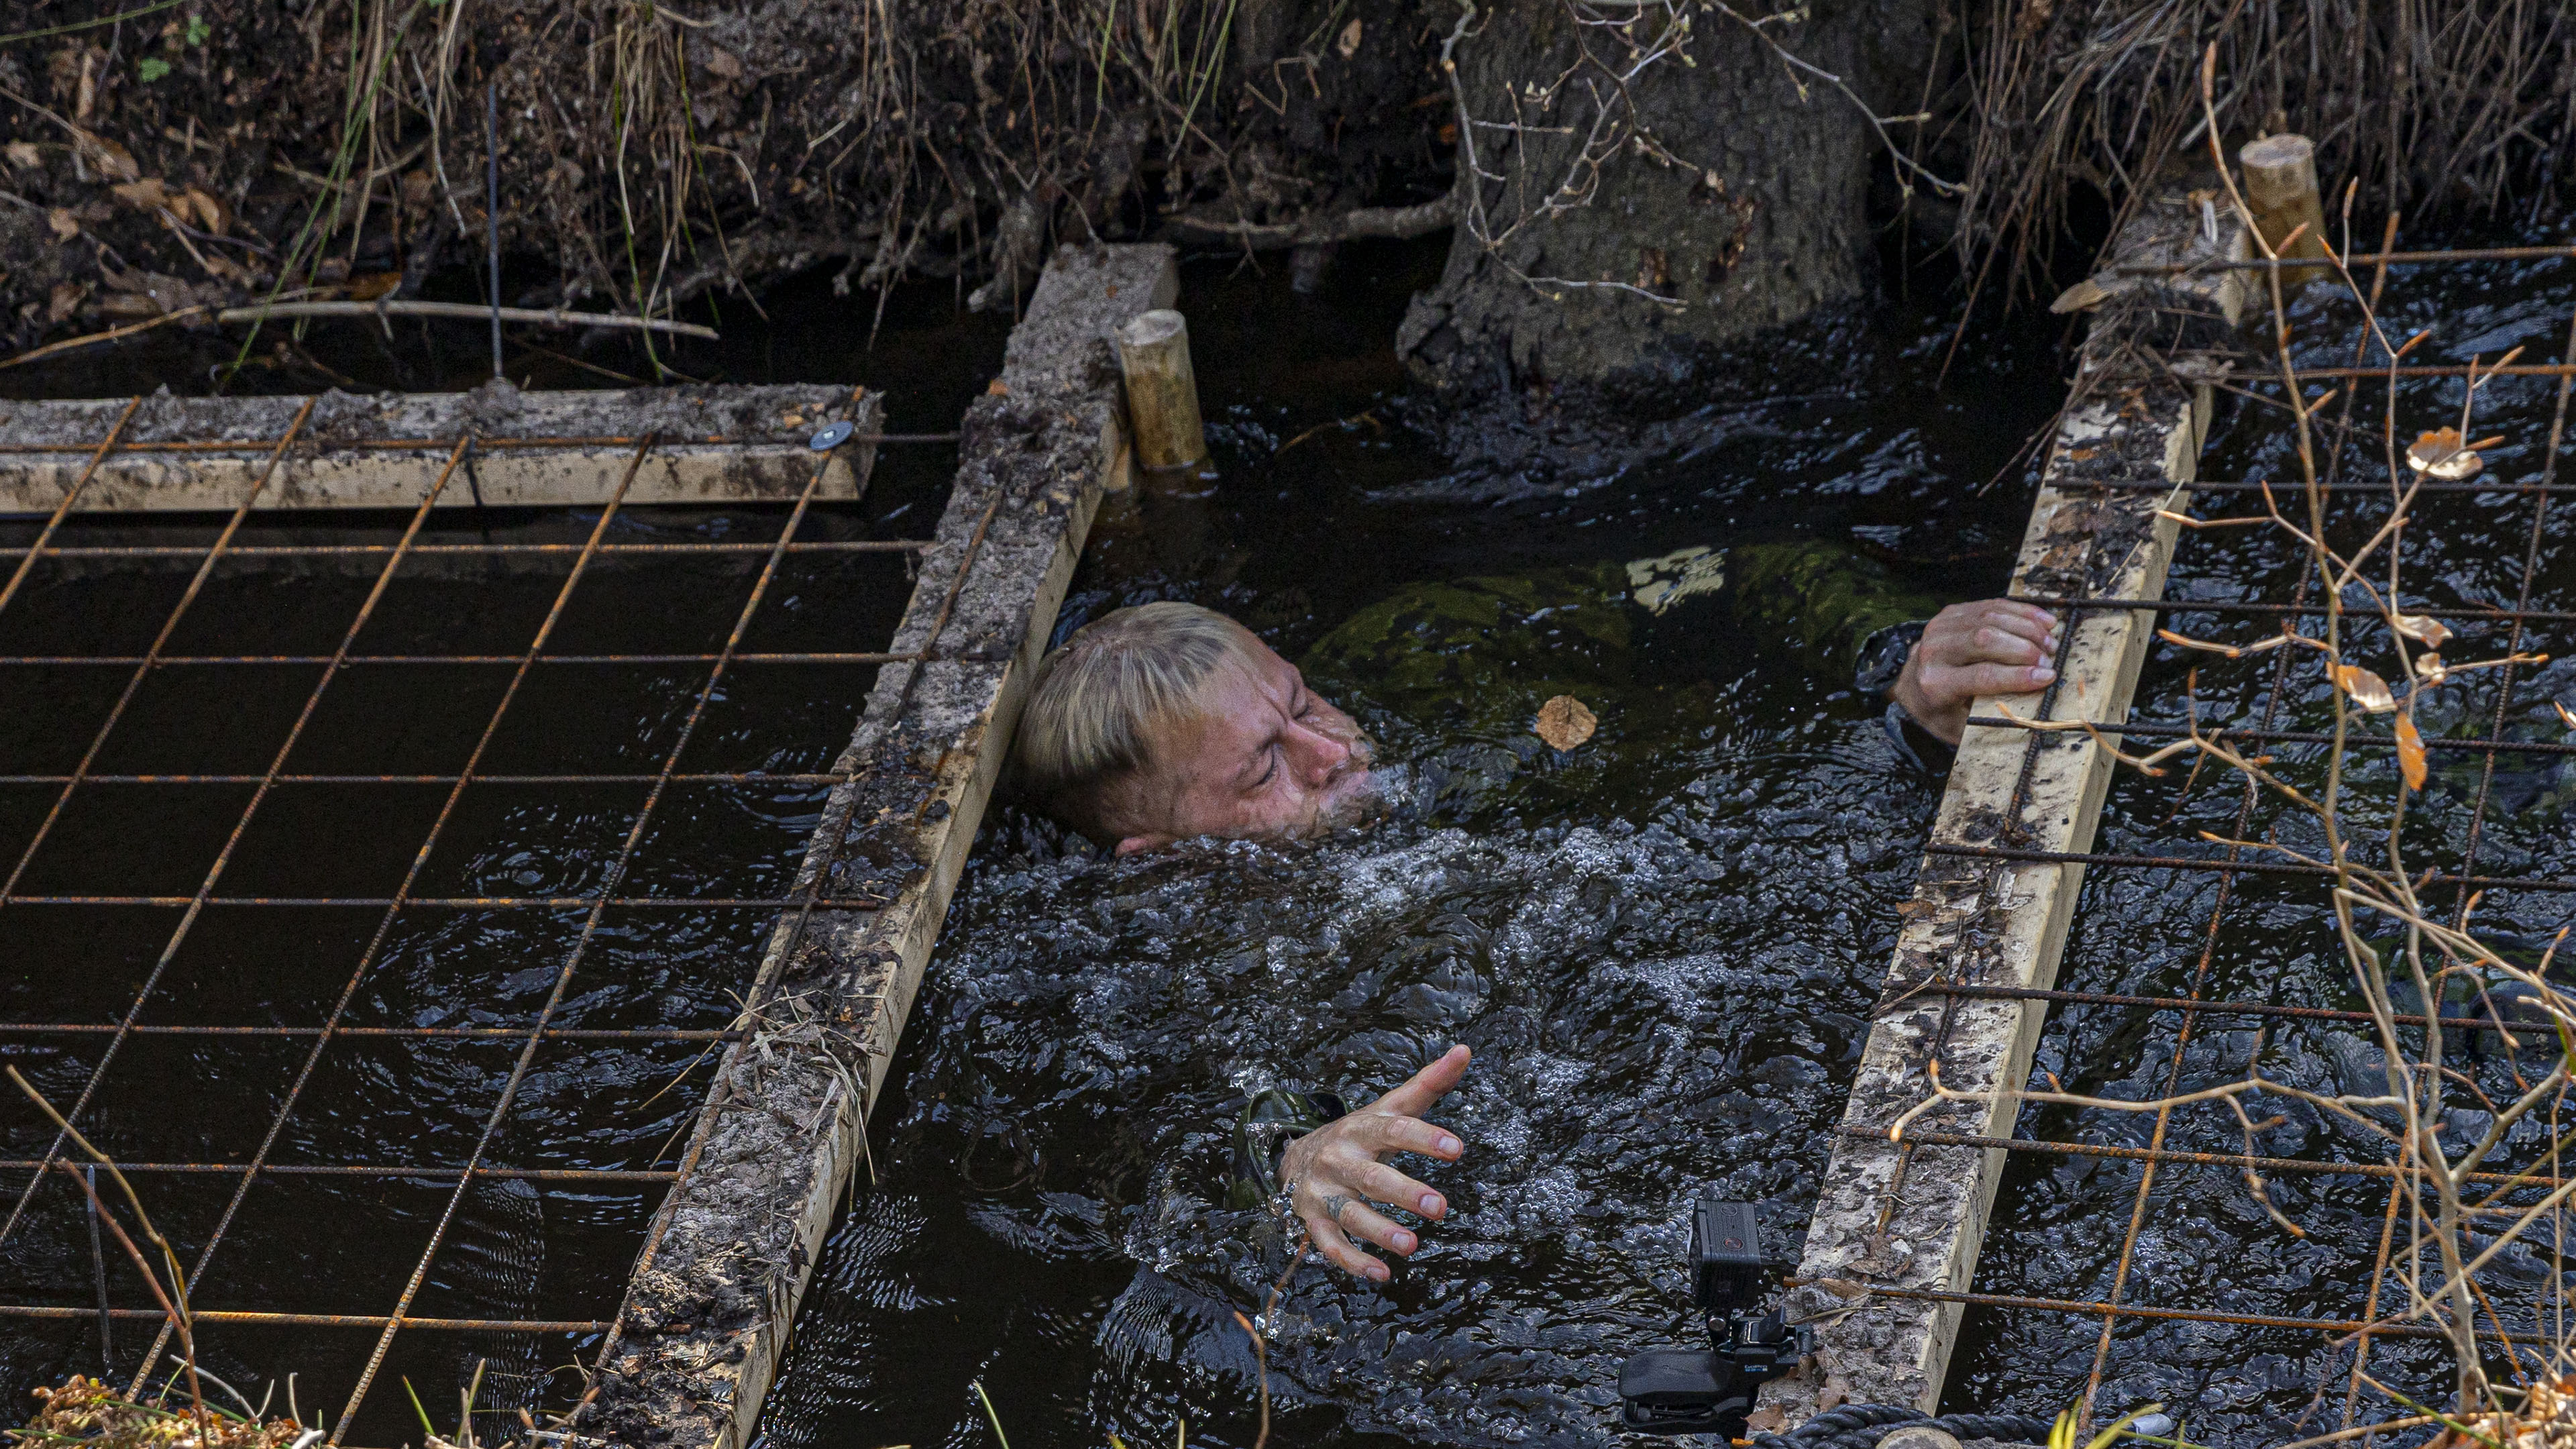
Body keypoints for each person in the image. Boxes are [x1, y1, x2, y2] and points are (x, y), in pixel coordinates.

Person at [1003, 540, 2059, 1281]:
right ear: (1165, 858)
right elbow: (1162, 1125)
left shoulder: (1424, 641)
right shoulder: (1174, 956)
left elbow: (1731, 576)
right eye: (1263, 770)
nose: (1335, 753)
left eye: (1301, 699)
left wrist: (1895, 656)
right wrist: (1287, 1165)